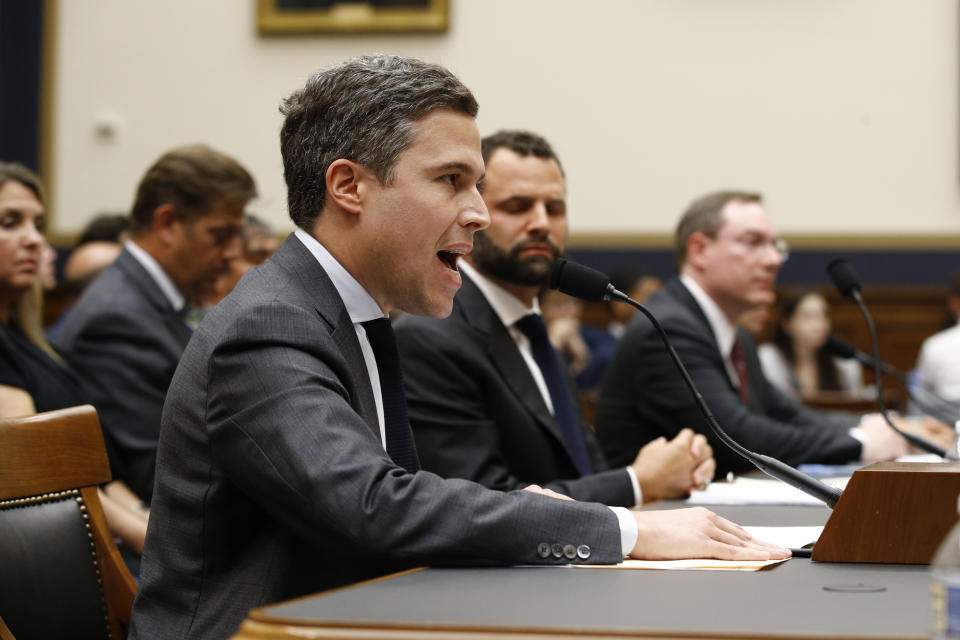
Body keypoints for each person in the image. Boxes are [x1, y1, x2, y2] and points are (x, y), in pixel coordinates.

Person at [127, 56, 786, 640]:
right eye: (451, 180)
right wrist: (627, 530)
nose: (476, 212)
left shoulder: (347, 313)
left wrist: (550, 511)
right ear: (348, 186)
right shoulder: (270, 325)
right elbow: (373, 506)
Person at [395, 130, 714, 506]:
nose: (541, 223)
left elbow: (581, 472)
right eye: (517, 206)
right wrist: (638, 482)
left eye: (555, 209)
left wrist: (676, 467)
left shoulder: (533, 332)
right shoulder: (431, 335)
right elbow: (478, 500)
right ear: (472, 215)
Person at [594, 190, 951, 476]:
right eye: (753, 242)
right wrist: (860, 442)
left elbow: (785, 412)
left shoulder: (733, 333)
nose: (773, 260)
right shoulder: (668, 325)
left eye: (775, 246)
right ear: (700, 250)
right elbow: (738, 434)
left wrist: (889, 427)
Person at [54, 144, 255, 504]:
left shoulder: (158, 300)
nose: (232, 254)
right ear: (167, 224)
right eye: (220, 236)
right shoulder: (116, 320)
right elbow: (160, 470)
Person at [0, 161, 147, 554]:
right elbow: (47, 477)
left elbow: (101, 477)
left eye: (38, 224)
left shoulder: (31, 344)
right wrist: (143, 537)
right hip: (60, 556)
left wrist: (145, 516)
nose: (34, 240)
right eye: (10, 222)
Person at [758, 290, 863, 400]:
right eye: (808, 317)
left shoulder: (843, 362)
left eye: (824, 316)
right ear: (787, 324)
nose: (819, 325)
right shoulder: (768, 359)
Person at [577, 267, 662, 390]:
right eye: (651, 297)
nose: (662, 305)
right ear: (619, 303)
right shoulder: (601, 351)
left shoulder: (666, 343)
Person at [914, 268, 960, 407]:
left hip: (942, 424)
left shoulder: (934, 345)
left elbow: (920, 397)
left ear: (953, 302)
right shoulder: (934, 346)